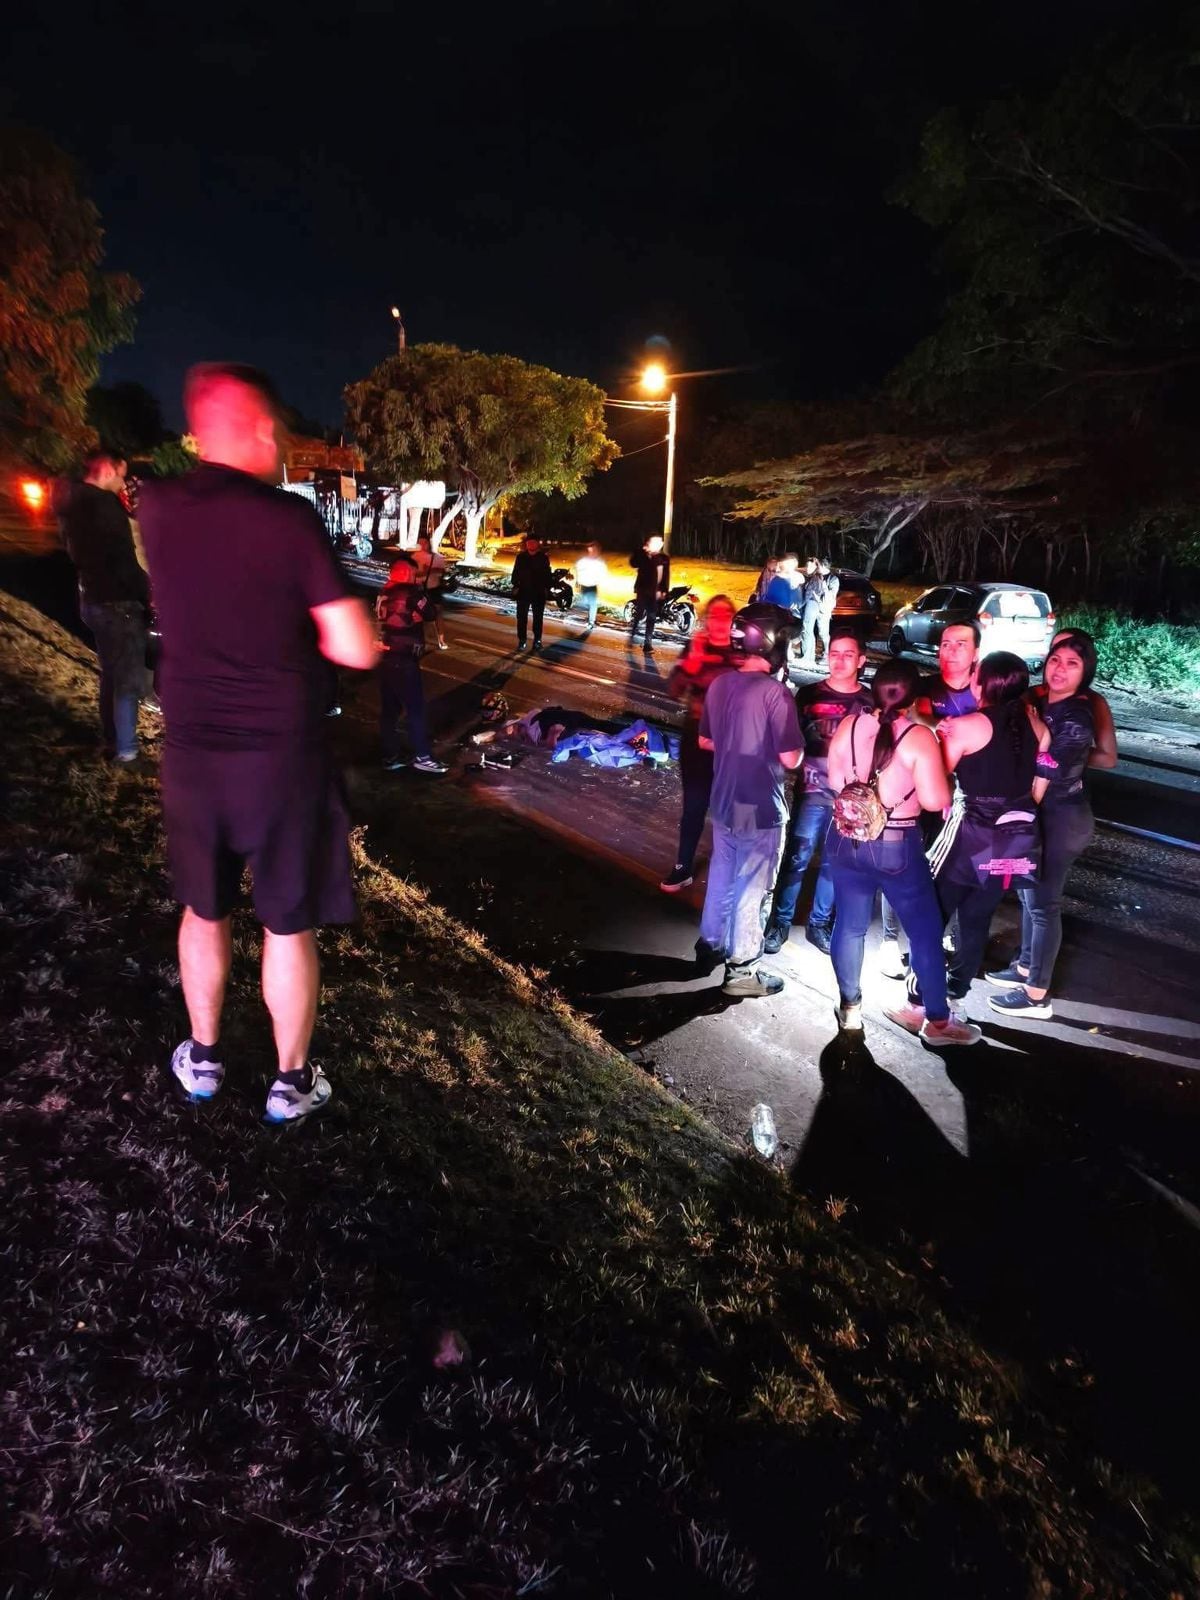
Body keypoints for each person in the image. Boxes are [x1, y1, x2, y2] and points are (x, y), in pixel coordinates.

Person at [139, 363, 378, 1122]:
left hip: (191, 756)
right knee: (286, 921)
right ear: (252, 427)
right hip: (280, 761)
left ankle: (203, 1061)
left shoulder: (157, 508)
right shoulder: (288, 520)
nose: (279, 441)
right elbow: (354, 647)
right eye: (272, 427)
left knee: (203, 910)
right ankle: (290, 1083)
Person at [824, 660, 981, 1045]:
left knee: (850, 926)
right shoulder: (918, 737)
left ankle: (850, 1009)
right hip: (897, 845)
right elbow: (934, 800)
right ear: (914, 698)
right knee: (925, 932)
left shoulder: (849, 725)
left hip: (846, 840)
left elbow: (833, 781)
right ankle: (939, 1022)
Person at [886, 652, 1042, 1034]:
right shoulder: (1036, 726)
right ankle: (955, 997)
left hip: (971, 832)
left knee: (932, 913)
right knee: (977, 920)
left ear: (982, 683)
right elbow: (1040, 785)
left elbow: (937, 775)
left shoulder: (967, 726)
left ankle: (920, 1001)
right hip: (1015, 840)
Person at [987, 629, 1104, 1019]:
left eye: (1072, 664)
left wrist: (1037, 735)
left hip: (1060, 817)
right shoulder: (1041, 702)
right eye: (1056, 659)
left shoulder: (1077, 717)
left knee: (1042, 904)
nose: (1060, 669)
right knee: (1026, 894)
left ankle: (1037, 994)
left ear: (1085, 671)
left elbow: (1049, 766)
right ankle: (1023, 966)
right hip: (1040, 814)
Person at [696, 604, 803, 998]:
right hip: (760, 805)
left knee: (723, 875)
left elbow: (705, 740)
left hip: (725, 799)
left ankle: (709, 944)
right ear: (772, 642)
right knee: (753, 888)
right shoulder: (776, 694)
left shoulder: (720, 684)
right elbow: (792, 758)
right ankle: (742, 970)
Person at [878, 619, 983, 977]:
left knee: (953, 871)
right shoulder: (923, 690)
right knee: (903, 864)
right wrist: (934, 724)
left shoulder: (985, 693)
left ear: (976, 654)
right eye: (945, 644)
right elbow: (911, 718)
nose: (950, 651)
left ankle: (946, 934)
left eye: (960, 645)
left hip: (965, 801)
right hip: (918, 795)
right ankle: (889, 942)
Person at [763, 630, 872, 955]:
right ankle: (780, 921)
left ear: (861, 661)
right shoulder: (808, 695)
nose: (839, 660)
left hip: (849, 800)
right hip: (811, 794)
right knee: (796, 859)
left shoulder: (869, 702)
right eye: (834, 653)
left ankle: (819, 923)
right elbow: (788, 740)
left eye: (847, 654)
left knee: (835, 863)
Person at [59, 450, 151, 765]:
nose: (123, 482)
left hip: (92, 597)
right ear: (109, 469)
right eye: (122, 474)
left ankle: (112, 739)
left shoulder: (70, 502)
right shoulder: (104, 504)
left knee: (110, 674)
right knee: (126, 678)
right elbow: (125, 560)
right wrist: (149, 593)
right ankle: (126, 752)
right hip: (118, 602)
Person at [660, 595, 739, 892]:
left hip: (732, 741)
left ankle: (730, 868)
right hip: (696, 734)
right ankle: (682, 867)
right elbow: (672, 690)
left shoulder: (742, 651)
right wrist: (691, 663)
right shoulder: (697, 646)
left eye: (726, 614)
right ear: (706, 618)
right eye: (714, 614)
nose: (720, 620)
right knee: (694, 805)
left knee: (730, 809)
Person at [376, 553, 449, 775]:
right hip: (404, 658)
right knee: (416, 709)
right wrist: (420, 593)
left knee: (389, 710)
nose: (416, 576)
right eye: (414, 572)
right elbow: (430, 613)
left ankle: (391, 756)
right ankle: (422, 756)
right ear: (407, 571)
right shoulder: (410, 592)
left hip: (386, 655)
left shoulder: (385, 590)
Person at [628, 533, 670, 654]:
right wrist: (642, 551)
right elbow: (633, 563)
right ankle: (632, 635)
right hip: (643, 590)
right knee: (639, 614)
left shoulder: (664, 558)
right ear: (648, 543)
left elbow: (666, 576)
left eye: (659, 542)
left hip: (655, 593)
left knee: (651, 618)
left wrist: (664, 590)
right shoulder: (643, 555)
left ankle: (648, 644)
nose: (657, 544)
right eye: (654, 542)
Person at [511, 534, 552, 652]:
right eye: (529, 542)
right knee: (521, 618)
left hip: (538, 592)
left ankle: (537, 641)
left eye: (533, 542)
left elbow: (547, 575)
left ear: (537, 544)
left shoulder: (543, 558)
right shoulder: (521, 557)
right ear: (526, 544)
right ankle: (522, 640)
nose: (531, 545)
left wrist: (547, 588)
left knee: (538, 618)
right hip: (523, 592)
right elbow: (515, 573)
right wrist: (516, 585)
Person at [413, 530, 449, 650]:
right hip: (420, 590)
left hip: (434, 589)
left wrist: (434, 571)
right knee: (420, 615)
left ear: (429, 543)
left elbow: (442, 573)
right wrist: (423, 572)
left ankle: (441, 640)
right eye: (420, 543)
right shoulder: (415, 557)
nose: (422, 545)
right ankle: (420, 639)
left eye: (424, 543)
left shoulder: (438, 558)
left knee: (438, 614)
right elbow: (413, 574)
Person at [574, 542, 608, 631]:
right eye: (591, 550)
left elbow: (603, 572)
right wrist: (578, 580)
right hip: (585, 585)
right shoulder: (584, 561)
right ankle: (584, 614)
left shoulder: (599, 562)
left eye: (594, 550)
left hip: (592, 586)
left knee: (592, 604)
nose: (593, 552)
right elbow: (578, 568)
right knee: (586, 602)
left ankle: (591, 622)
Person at [797, 557, 823, 665]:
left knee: (807, 628)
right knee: (809, 629)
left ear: (816, 567)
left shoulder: (815, 578)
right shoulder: (814, 577)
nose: (808, 568)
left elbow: (808, 595)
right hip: (812, 605)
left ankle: (807, 656)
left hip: (811, 604)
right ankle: (809, 655)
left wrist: (799, 605)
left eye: (810, 566)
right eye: (807, 565)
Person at [814, 558, 840, 660]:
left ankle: (826, 653)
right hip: (813, 607)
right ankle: (812, 652)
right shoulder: (816, 576)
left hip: (823, 609)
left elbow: (832, 596)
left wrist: (824, 587)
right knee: (811, 630)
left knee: (823, 632)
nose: (817, 568)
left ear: (824, 566)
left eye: (818, 565)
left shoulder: (833, 579)